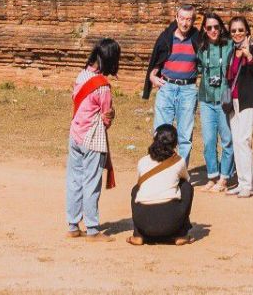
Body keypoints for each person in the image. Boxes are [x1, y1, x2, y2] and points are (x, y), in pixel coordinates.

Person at [66, 38, 120, 238]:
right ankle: (92, 228)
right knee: (91, 183)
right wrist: (111, 116)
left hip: (75, 135)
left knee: (74, 180)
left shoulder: (81, 76)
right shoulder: (103, 87)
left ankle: (72, 225)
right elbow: (106, 117)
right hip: (93, 138)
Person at [143, 5, 201, 165]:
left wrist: (252, 41)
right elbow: (157, 60)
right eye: (182, 18)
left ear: (193, 21)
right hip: (167, 87)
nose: (185, 23)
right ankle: (159, 168)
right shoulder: (166, 37)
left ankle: (180, 172)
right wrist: (152, 77)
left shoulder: (197, 38)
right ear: (176, 18)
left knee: (184, 136)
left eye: (189, 19)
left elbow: (220, 40)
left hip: (188, 90)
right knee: (160, 132)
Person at [128, 124, 193, 246]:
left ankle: (138, 235)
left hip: (144, 223)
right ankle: (181, 234)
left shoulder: (143, 161)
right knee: (186, 187)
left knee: (136, 189)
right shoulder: (179, 161)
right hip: (171, 223)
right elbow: (186, 180)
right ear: (175, 143)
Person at [223, 16, 253, 197]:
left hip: (249, 100)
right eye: (233, 31)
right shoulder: (232, 51)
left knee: (244, 141)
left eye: (240, 30)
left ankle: (248, 185)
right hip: (234, 102)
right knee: (237, 141)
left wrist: (249, 54)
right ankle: (241, 182)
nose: (237, 33)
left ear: (247, 31)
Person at [193, 13, 235, 191]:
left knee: (227, 140)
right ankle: (212, 176)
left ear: (221, 28)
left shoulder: (229, 45)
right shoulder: (201, 48)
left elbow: (243, 40)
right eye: (209, 27)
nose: (213, 31)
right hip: (206, 98)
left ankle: (224, 178)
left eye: (216, 27)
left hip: (224, 96)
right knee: (209, 141)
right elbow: (197, 68)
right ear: (204, 29)